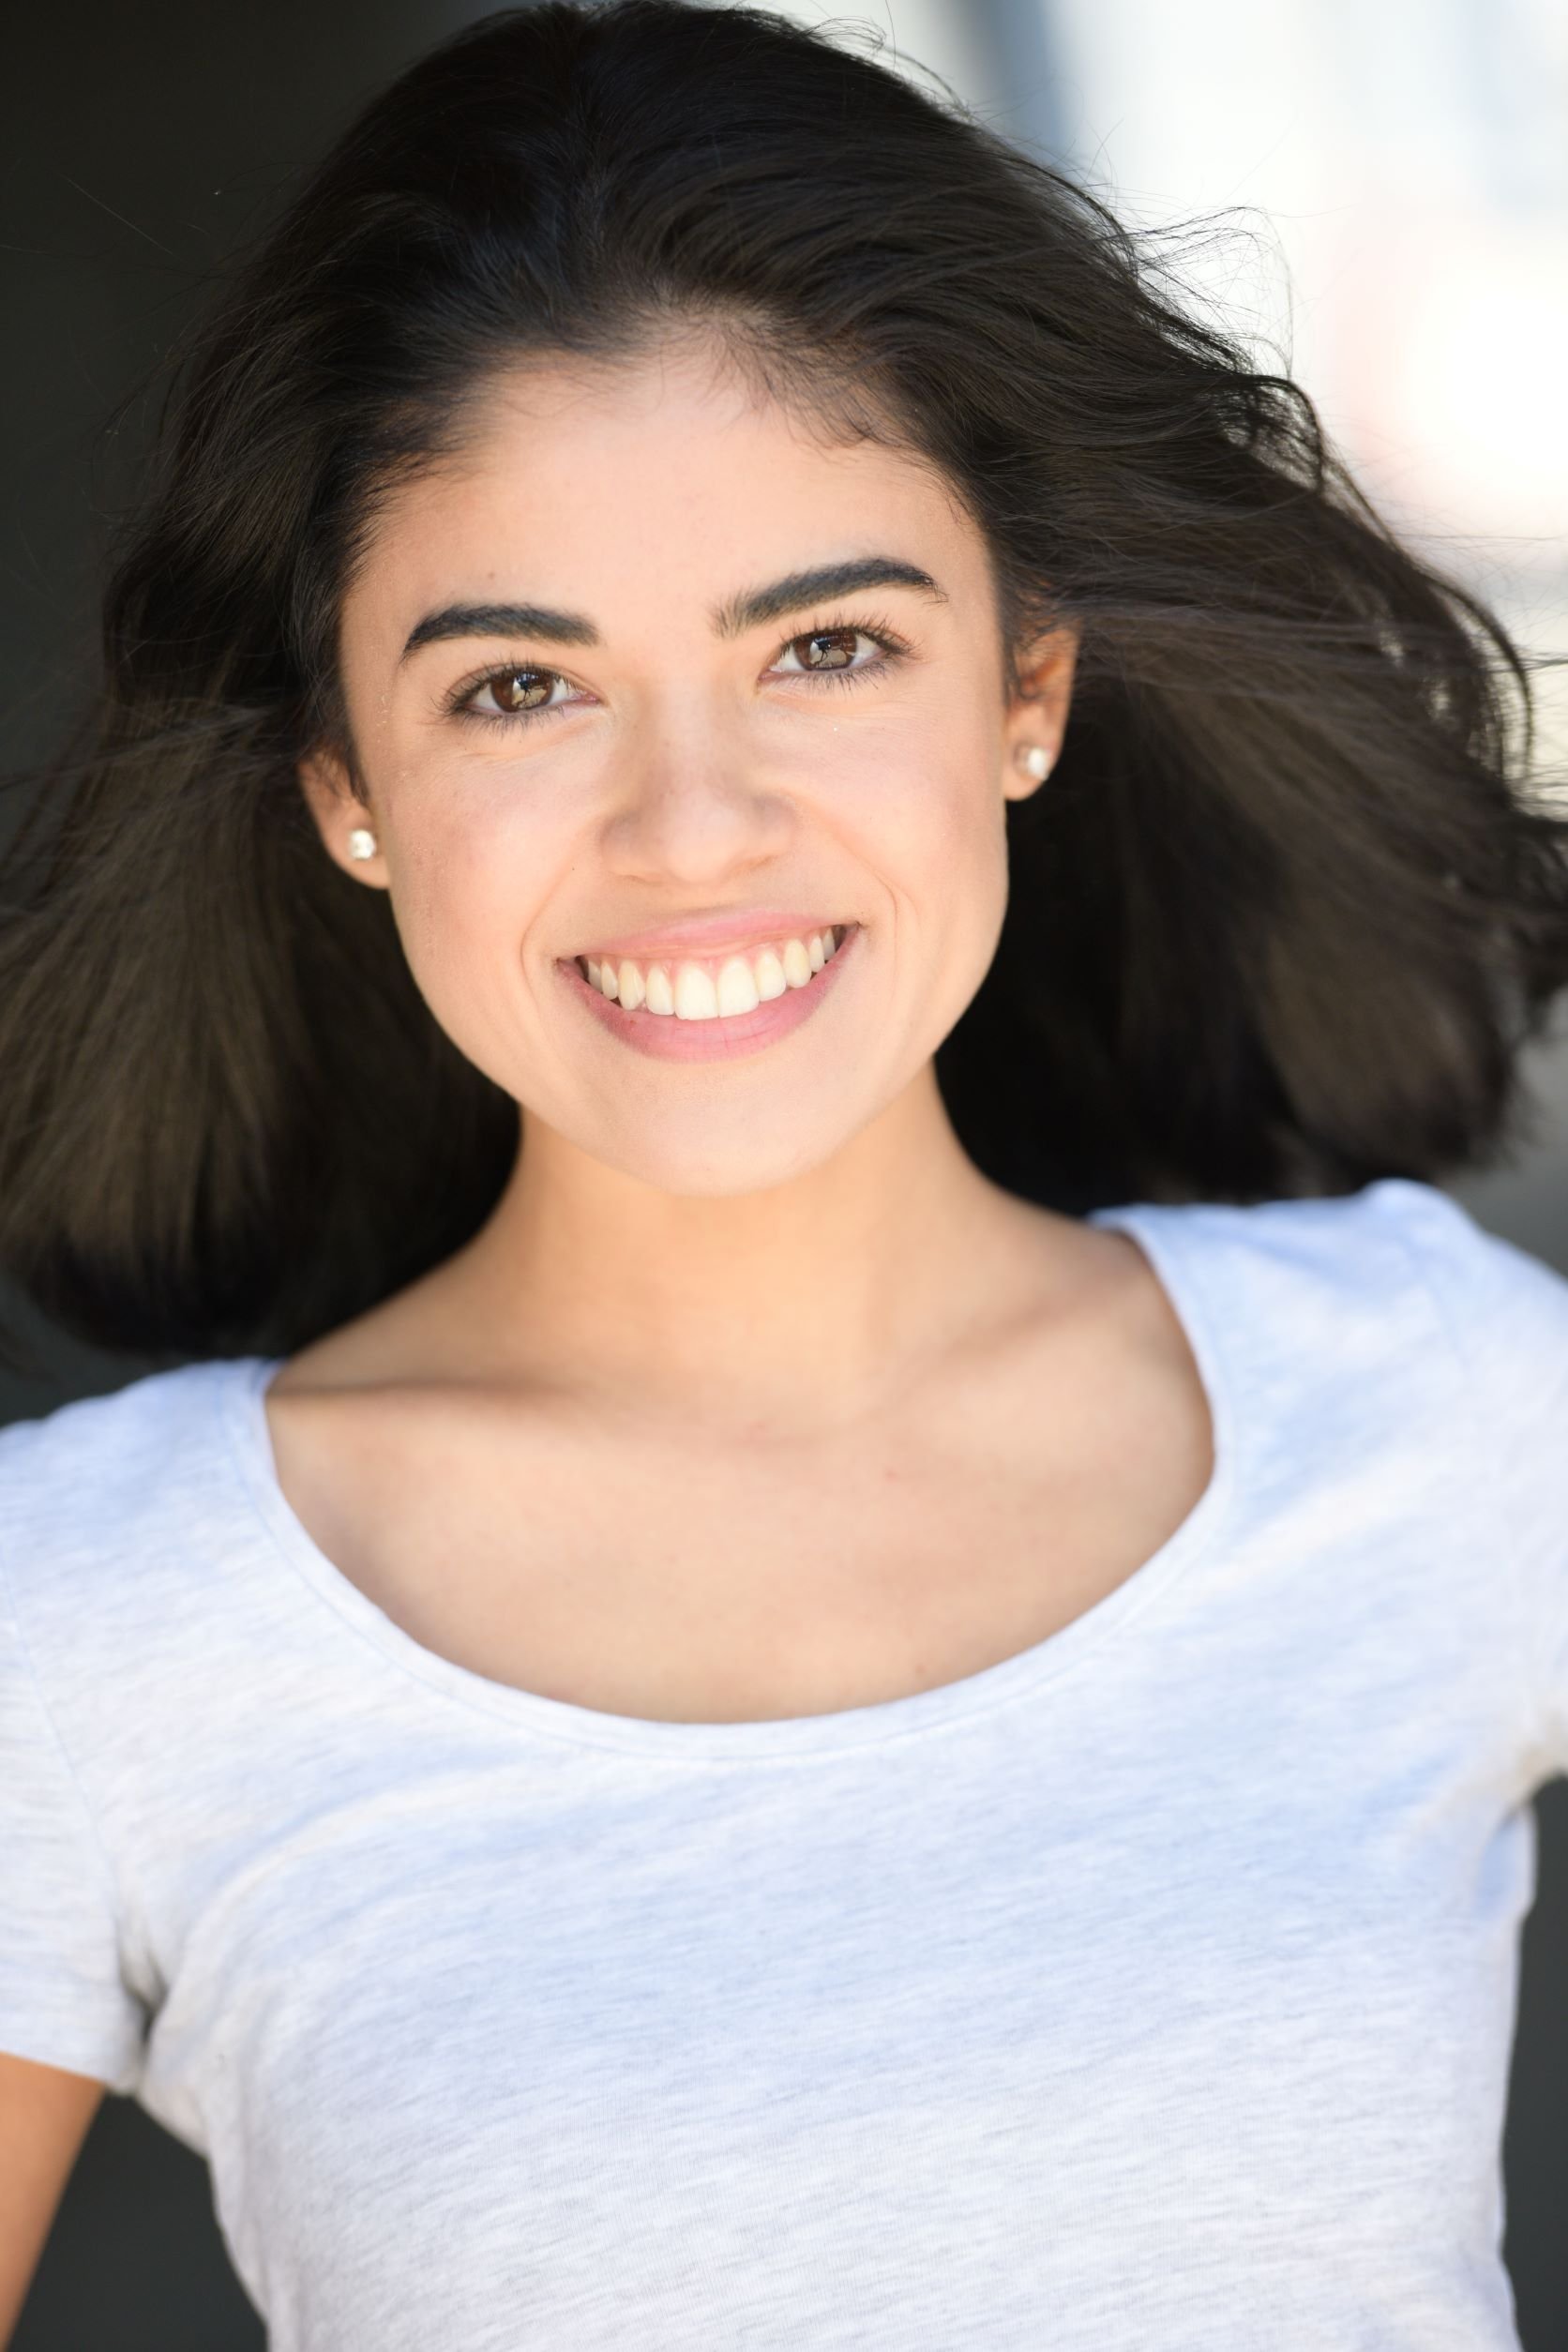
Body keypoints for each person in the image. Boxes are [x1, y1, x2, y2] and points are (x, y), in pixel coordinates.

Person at [2, 1, 1566, 2343]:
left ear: (1022, 692)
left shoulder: (1440, 1405)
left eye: (825, 645)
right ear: (343, 776)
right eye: (517, 687)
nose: (692, 829)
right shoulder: (94, 1619)